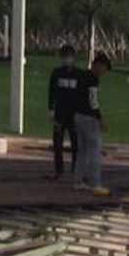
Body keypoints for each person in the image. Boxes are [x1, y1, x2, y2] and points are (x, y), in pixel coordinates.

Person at [73, 52, 111, 193]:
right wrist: (100, 118)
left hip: (78, 116)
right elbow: (93, 101)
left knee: (82, 151)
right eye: (104, 69)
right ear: (99, 65)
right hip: (89, 118)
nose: (104, 73)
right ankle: (95, 183)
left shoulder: (82, 75)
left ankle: (78, 181)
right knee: (95, 151)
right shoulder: (93, 79)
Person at [47, 43, 85, 180]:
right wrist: (51, 109)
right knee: (57, 142)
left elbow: (83, 94)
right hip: (60, 113)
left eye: (69, 56)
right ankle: (59, 170)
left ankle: (76, 170)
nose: (67, 59)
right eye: (65, 56)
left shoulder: (79, 74)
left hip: (74, 114)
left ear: (74, 57)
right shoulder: (57, 73)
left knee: (76, 143)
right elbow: (51, 92)